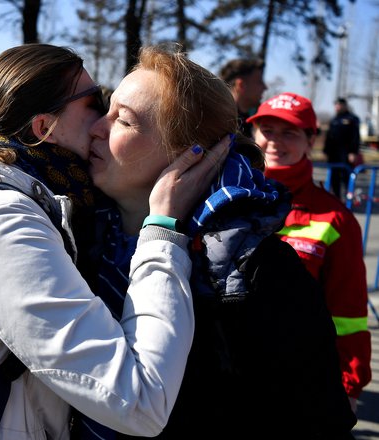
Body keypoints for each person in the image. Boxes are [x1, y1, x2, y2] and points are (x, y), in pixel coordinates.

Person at [0, 43, 230, 438]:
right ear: (43, 128)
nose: (102, 123)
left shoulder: (45, 206)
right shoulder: (0, 224)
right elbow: (139, 401)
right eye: (94, 105)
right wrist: (163, 229)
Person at [83, 46, 356, 439]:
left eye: (122, 121)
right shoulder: (74, 235)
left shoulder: (254, 269)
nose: (96, 128)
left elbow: (316, 419)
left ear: (188, 156)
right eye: (104, 111)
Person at [247, 92, 371, 414]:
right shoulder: (220, 197)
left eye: (289, 132)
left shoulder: (336, 219)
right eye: (267, 130)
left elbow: (348, 316)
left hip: (296, 382)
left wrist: (348, 386)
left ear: (311, 139)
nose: (274, 142)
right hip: (224, 372)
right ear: (253, 134)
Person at [324, 97, 362, 199]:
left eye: (339, 104)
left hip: (346, 153)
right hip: (334, 154)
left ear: (344, 106)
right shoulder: (334, 120)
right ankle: (337, 199)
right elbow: (329, 137)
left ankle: (349, 198)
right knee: (334, 177)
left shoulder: (352, 119)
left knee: (347, 176)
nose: (337, 107)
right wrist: (326, 150)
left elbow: (355, 136)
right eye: (336, 105)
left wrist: (353, 152)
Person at [219, 58, 267, 138]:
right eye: (260, 81)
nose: (265, 87)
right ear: (241, 85)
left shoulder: (248, 121)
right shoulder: (220, 123)